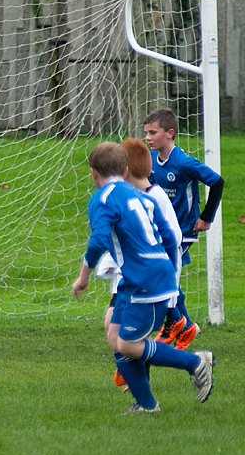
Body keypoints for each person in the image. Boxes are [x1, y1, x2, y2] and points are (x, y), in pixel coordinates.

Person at [73, 142, 214, 413]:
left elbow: (98, 240)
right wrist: (169, 273)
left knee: (128, 344)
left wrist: (83, 278)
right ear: (125, 171)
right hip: (142, 277)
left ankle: (196, 363)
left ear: (92, 172)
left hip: (145, 280)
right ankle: (146, 405)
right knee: (115, 336)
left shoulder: (103, 199)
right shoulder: (142, 196)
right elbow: (170, 236)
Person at [95, 138, 183, 389]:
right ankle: (134, 374)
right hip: (129, 279)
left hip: (147, 281)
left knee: (127, 337)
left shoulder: (155, 197)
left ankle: (141, 379)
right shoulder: (130, 197)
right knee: (114, 329)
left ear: (125, 172)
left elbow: (172, 238)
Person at [144, 109, 224, 350]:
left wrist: (206, 218)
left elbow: (217, 182)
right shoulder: (150, 159)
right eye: (146, 132)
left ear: (170, 133)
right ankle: (185, 324)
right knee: (164, 274)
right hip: (162, 230)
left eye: (153, 132)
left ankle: (178, 322)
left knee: (164, 274)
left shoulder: (183, 162)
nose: (148, 137)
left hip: (183, 231)